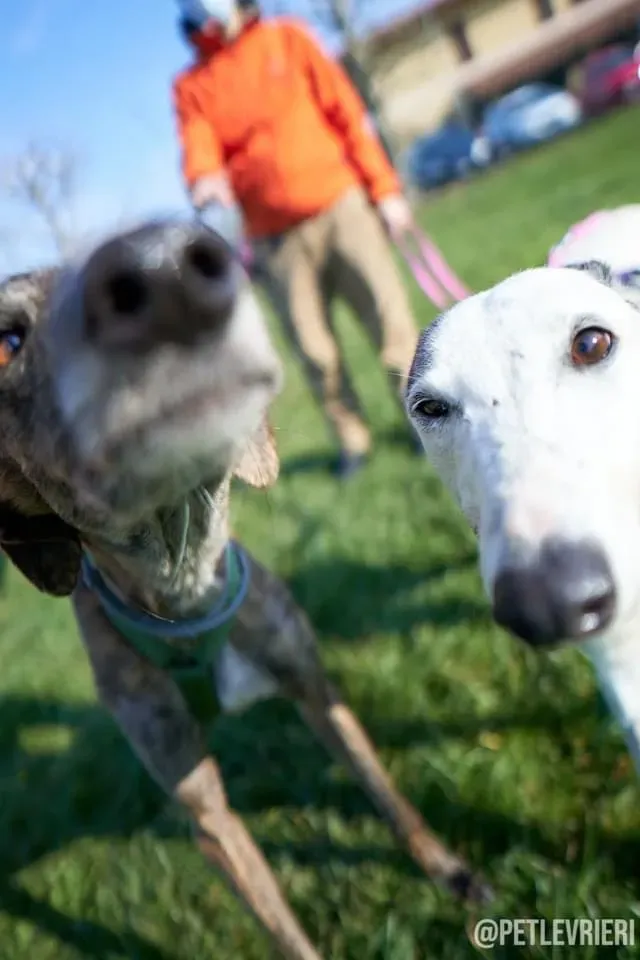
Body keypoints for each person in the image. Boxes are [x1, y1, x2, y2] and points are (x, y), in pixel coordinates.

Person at [173, 0, 419, 478]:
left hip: (341, 206)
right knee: (314, 351)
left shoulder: (289, 37)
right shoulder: (191, 85)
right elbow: (198, 141)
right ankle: (354, 443)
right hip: (274, 242)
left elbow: (346, 112)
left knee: (392, 327)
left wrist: (385, 191)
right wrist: (205, 176)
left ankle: (423, 420)